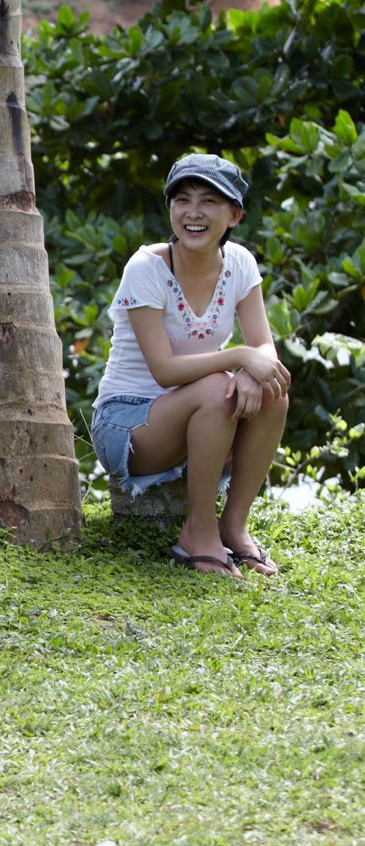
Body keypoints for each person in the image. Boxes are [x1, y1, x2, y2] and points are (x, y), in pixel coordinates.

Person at [90, 153, 290, 578]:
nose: (193, 213)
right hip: (129, 423)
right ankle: (198, 532)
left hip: (200, 411)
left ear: (234, 215)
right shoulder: (147, 267)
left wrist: (251, 370)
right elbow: (164, 370)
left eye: (208, 201)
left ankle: (233, 526)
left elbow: (264, 348)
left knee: (273, 392)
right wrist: (239, 359)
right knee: (219, 386)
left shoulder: (240, 263)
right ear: (170, 209)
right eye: (182, 200)